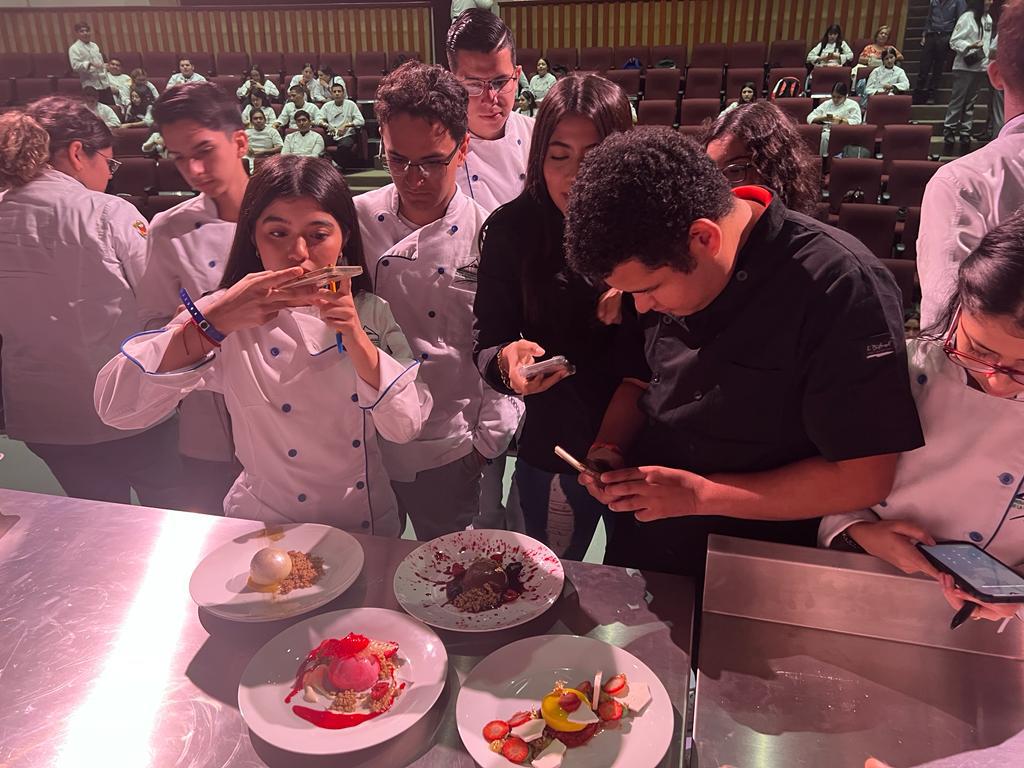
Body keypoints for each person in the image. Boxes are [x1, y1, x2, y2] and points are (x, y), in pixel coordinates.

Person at [563, 127, 923, 591]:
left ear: (703, 238)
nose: (644, 307)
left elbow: (863, 478)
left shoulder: (838, 286)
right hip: (648, 537)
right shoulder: (661, 256)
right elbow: (640, 381)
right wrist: (610, 449)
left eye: (650, 290)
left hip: (760, 558)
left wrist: (701, 495)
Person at [94, 155, 431, 534]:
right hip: (265, 522)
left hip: (363, 518)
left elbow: (405, 427)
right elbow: (117, 408)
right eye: (277, 233)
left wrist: (354, 335)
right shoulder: (223, 312)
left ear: (345, 238)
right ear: (252, 237)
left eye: (318, 235)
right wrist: (212, 325)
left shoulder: (372, 310)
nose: (298, 254)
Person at [820, 210, 1024, 628]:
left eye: (1022, 367)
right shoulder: (902, 373)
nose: (995, 379)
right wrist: (857, 531)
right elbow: (834, 479)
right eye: (979, 350)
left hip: (1004, 629)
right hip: (866, 592)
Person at [355, 62, 521, 540]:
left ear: (463, 147)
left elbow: (504, 344)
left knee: (449, 579)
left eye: (431, 161)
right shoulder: (355, 221)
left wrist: (486, 445)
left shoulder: (490, 234)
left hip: (450, 446)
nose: (413, 177)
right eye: (397, 160)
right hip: (367, 443)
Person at [474, 75, 633, 558]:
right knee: (546, 577)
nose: (574, 177)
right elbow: (486, 338)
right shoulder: (512, 230)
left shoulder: (654, 230)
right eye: (558, 157)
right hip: (556, 444)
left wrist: (639, 290)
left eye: (594, 159)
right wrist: (508, 363)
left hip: (650, 452)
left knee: (646, 594)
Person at [0, 98, 184, 507]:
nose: (109, 174)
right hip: (127, 406)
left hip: (44, 414)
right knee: (171, 508)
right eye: (108, 162)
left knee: (97, 516)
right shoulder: (107, 212)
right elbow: (160, 304)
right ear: (78, 152)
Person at [134, 82, 252, 515]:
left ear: (239, 141)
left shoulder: (288, 214)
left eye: (204, 151)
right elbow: (150, 325)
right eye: (180, 158)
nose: (195, 170)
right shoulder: (169, 229)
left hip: (292, 405)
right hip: (210, 417)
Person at [918, 0, 1024, 329]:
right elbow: (956, 41)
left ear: (997, 74)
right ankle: (953, 134)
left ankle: (961, 133)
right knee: (958, 105)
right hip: (967, 64)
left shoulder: (963, 184)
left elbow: (946, 330)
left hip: (989, 374)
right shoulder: (966, 19)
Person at [447, 9, 534, 213]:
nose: (490, 97)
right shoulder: (441, 150)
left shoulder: (539, 136)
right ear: (452, 82)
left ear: (517, 74)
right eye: (474, 84)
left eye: (500, 81)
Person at [701, 101, 820, 215]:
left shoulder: (809, 235)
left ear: (773, 170)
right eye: (712, 173)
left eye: (734, 171)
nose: (717, 187)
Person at [944, 0, 995, 155]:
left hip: (980, 66)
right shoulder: (967, 17)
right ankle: (950, 129)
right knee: (958, 99)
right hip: (964, 66)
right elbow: (954, 41)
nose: (990, 2)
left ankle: (965, 130)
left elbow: (987, 43)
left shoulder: (988, 19)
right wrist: (970, 45)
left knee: (971, 101)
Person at [915, 0, 969, 104]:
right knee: (924, 66)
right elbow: (929, 17)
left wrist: (955, 37)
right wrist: (924, 33)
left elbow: (961, 20)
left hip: (946, 34)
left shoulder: (958, 1)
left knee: (938, 67)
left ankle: (932, 94)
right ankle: (919, 93)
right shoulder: (933, 1)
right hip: (931, 34)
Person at [807, 81, 863, 155]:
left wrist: (840, 121)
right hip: (825, 129)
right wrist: (822, 118)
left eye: (839, 97)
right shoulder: (827, 104)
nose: (835, 100)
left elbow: (857, 122)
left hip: (843, 132)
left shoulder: (853, 105)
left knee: (825, 137)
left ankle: (824, 160)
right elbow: (810, 117)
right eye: (833, 96)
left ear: (845, 96)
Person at [68, 21, 114, 105]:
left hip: (104, 84)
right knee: (97, 113)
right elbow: (75, 66)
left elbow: (100, 63)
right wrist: (89, 64)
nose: (85, 33)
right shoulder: (74, 48)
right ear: (77, 33)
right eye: (82, 31)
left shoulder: (95, 46)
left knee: (111, 109)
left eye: (87, 31)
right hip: (91, 86)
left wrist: (105, 66)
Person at [320, 82, 365, 169]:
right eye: (334, 92)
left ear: (343, 93)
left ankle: (339, 167)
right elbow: (318, 119)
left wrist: (346, 125)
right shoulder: (327, 106)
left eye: (339, 91)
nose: (337, 93)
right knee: (319, 143)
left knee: (344, 146)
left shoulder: (350, 104)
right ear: (331, 94)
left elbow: (361, 121)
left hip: (347, 134)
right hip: (332, 134)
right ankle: (331, 165)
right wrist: (327, 125)